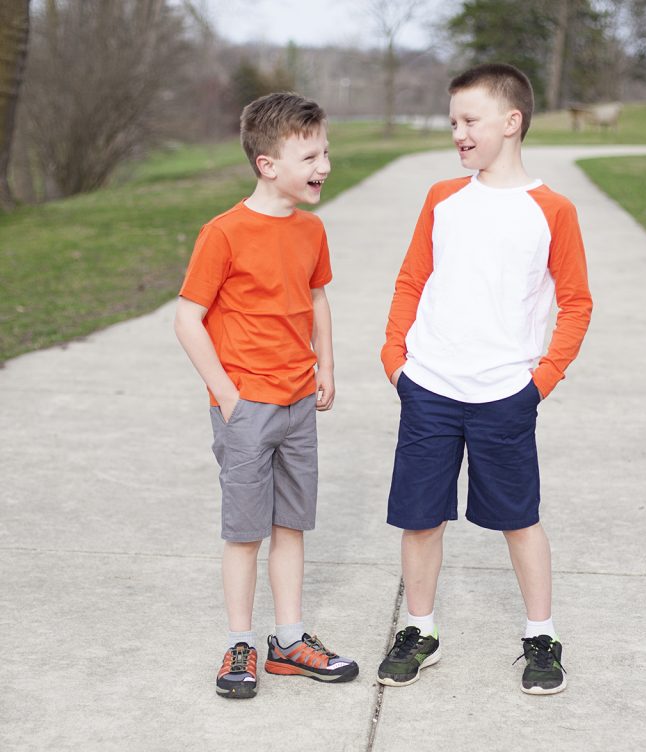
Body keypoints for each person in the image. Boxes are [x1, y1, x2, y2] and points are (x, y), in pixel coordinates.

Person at [377, 63, 592, 694]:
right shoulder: (443, 198)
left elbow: (576, 303)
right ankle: (420, 629)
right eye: (453, 122)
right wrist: (396, 360)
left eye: (470, 120)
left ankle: (541, 636)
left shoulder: (552, 210)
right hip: (430, 386)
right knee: (420, 517)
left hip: (505, 394)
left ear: (512, 121)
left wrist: (541, 380)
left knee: (518, 518)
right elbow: (412, 278)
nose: (459, 133)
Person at [174, 92, 358, 699]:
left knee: (290, 525)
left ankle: (289, 642)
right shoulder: (224, 233)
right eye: (310, 156)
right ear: (267, 164)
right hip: (247, 407)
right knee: (245, 531)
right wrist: (227, 396)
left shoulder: (312, 229)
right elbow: (187, 319)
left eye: (325, 152)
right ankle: (240, 644)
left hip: (299, 401)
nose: (324, 166)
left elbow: (317, 298)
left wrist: (326, 364)